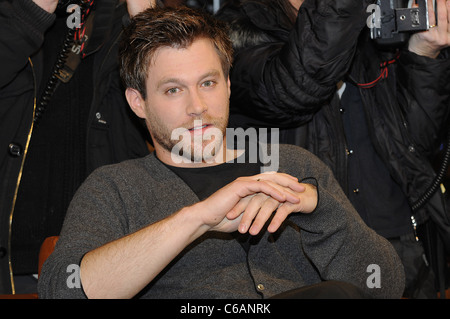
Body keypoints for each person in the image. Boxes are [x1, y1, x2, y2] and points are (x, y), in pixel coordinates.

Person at [38, 6, 405, 299]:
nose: (197, 105)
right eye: (173, 90)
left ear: (228, 85)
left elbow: (383, 287)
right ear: (138, 102)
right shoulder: (114, 189)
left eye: (208, 83)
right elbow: (64, 290)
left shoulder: (295, 167)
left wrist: (321, 211)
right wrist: (196, 219)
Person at [215, 0, 450, 298]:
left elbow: (417, 145)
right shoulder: (241, 24)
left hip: (398, 236)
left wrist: (423, 54)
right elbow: (296, 87)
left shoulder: (373, 17)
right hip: (308, 247)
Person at [0, 0, 156, 295]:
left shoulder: (128, 20)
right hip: (11, 262)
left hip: (105, 261)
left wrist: (144, 16)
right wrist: (31, 11)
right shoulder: (13, 16)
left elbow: (176, 105)